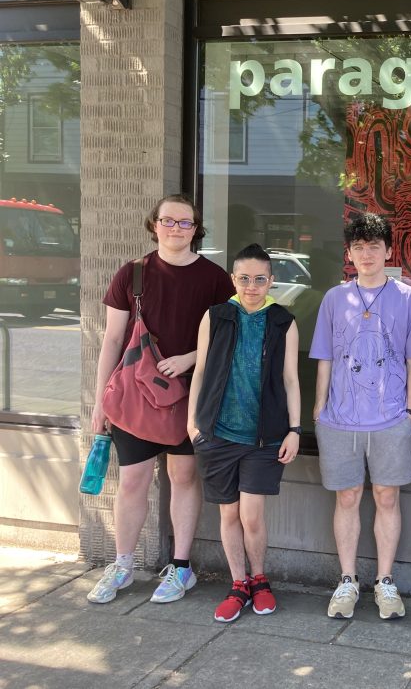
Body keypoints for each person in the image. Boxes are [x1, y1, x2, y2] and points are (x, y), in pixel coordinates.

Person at [88, 195, 234, 604]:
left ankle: (182, 567)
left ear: (195, 229)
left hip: (192, 396)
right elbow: (113, 340)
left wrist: (189, 357)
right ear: (154, 224)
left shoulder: (215, 279)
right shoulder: (132, 274)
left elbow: (225, 338)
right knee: (133, 481)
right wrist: (101, 401)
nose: (175, 228)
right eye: (168, 221)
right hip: (135, 398)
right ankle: (122, 565)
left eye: (184, 223)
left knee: (184, 478)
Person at [310, 213, 411, 620]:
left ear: (388, 251)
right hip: (340, 417)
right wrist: (319, 408)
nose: (366, 254)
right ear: (349, 253)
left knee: (387, 496)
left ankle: (384, 581)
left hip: (391, 415)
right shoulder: (334, 298)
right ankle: (347, 581)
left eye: (374, 246)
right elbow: (325, 356)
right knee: (347, 496)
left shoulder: (410, 298)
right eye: (359, 247)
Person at [187, 244, 301, 622]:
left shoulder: (283, 320)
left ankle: (260, 580)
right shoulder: (216, 316)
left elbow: (290, 379)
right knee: (229, 513)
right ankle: (238, 584)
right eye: (244, 278)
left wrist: (295, 430)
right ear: (234, 279)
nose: (252, 286)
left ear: (271, 280)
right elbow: (201, 371)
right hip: (217, 433)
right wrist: (193, 423)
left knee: (251, 515)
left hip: (264, 438)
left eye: (260, 279)